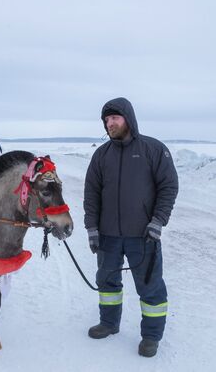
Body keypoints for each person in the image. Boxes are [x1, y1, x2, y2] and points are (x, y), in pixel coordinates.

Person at [84, 97, 179, 357]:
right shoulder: (101, 155)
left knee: (150, 285)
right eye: (106, 120)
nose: (109, 123)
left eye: (114, 118)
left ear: (128, 118)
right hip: (108, 235)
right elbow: (91, 194)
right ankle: (109, 323)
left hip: (143, 235)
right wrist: (92, 228)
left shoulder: (153, 149)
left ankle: (151, 336)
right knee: (107, 282)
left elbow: (169, 187)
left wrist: (157, 221)